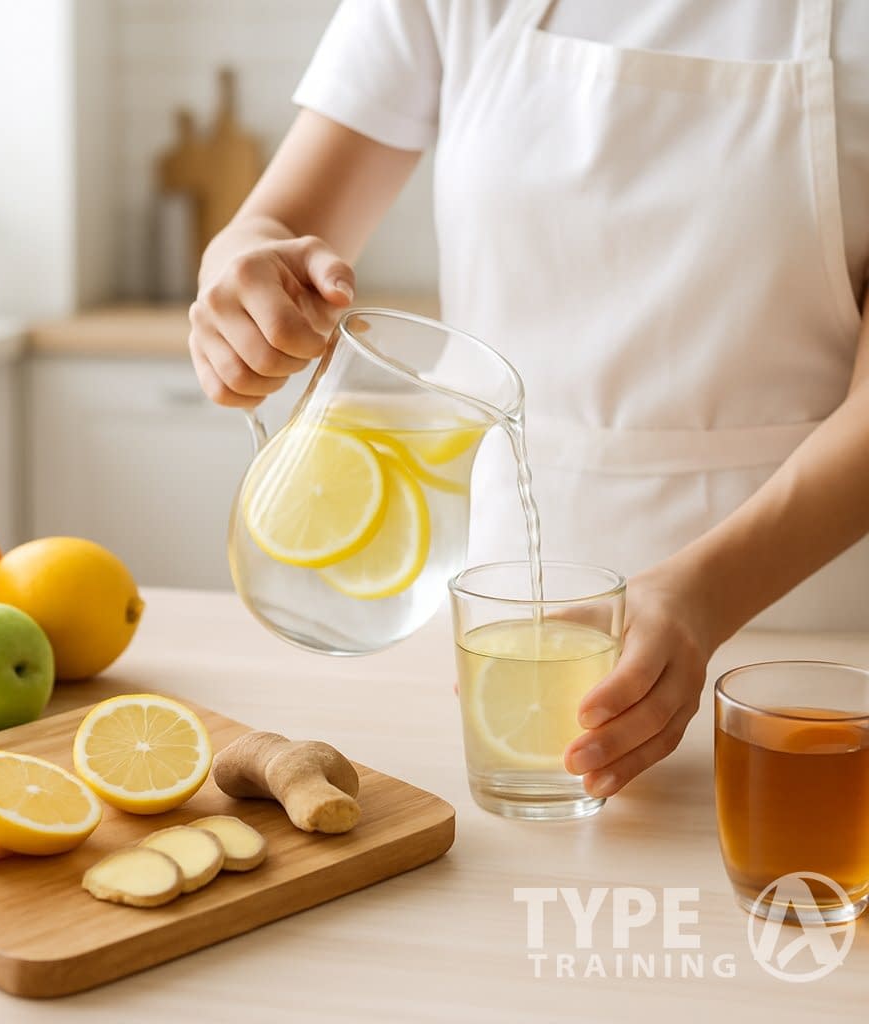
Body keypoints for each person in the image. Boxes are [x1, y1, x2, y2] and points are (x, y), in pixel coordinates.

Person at [188, 0, 869, 800]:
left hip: (807, 654)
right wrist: (240, 278)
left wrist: (709, 593)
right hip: (503, 635)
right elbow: (275, 223)